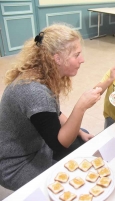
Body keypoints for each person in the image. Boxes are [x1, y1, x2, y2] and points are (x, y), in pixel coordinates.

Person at [0, 23, 102, 190]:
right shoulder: (35, 91)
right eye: (76, 55)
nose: (82, 59)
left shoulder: (42, 74)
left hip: (36, 146)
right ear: (57, 58)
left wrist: (78, 132)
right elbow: (59, 144)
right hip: (15, 165)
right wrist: (81, 106)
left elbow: (53, 113)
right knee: (72, 183)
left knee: (82, 142)